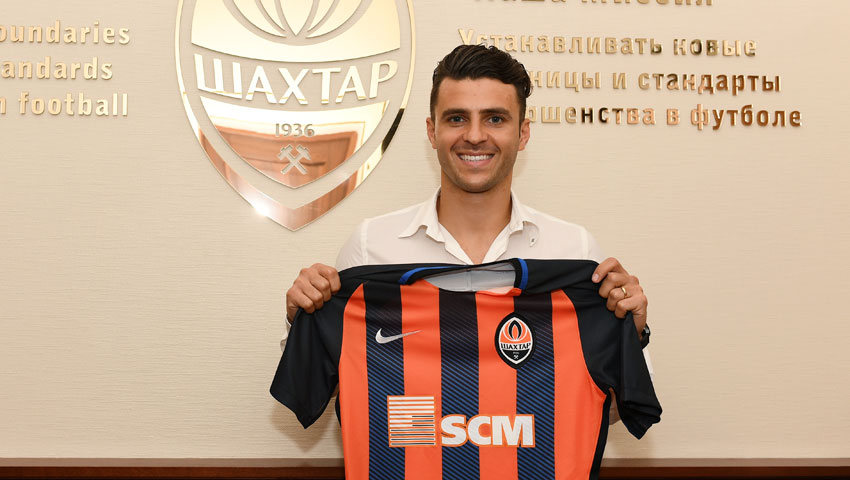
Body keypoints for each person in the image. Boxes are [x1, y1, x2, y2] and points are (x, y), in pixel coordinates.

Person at [284, 44, 649, 351]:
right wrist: (303, 317)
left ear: (523, 134)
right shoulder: (370, 247)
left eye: (495, 119)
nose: (474, 136)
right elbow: (335, 384)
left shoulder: (576, 252)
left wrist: (629, 332)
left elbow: (613, 401)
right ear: (432, 132)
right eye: (457, 118)